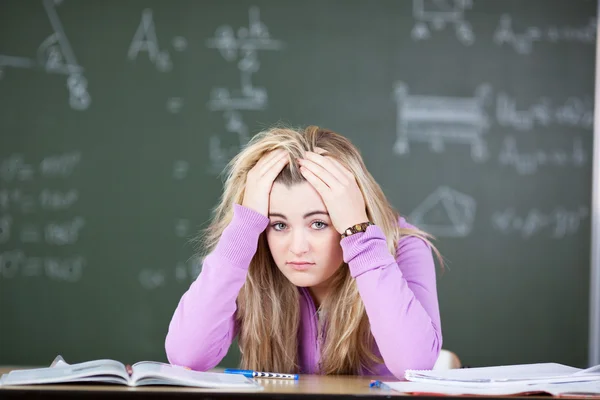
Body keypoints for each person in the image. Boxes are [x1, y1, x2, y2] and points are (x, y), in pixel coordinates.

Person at [165, 125, 443, 379]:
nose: (297, 248)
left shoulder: (402, 247)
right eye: (279, 224)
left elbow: (414, 366)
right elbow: (187, 355)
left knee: (429, 357)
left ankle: (445, 361)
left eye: (319, 223)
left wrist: (359, 234)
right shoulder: (252, 254)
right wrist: (242, 231)